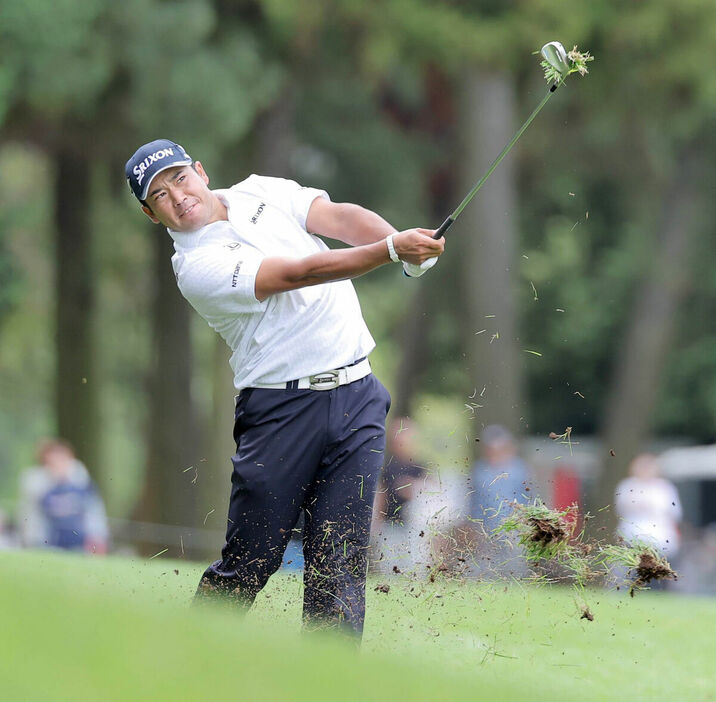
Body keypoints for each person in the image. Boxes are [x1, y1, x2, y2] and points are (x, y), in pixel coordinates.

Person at [124, 139, 445, 637]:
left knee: (338, 565)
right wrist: (389, 251)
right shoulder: (196, 269)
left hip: (357, 395)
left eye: (180, 178)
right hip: (281, 412)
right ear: (151, 214)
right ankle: (181, 668)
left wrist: (405, 249)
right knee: (249, 564)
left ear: (201, 172)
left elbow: (337, 218)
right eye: (161, 195)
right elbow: (300, 273)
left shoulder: (259, 191)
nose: (178, 196)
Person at [18, 439, 109, 553]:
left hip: (78, 541)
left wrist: (97, 536)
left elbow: (93, 511)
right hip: (45, 540)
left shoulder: (81, 480)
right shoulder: (35, 480)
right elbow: (31, 515)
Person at [467, 424, 531, 577]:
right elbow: (473, 501)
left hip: (514, 528)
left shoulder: (519, 470)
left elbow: (529, 498)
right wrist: (473, 525)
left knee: (515, 566)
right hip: (486, 529)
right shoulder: (479, 471)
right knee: (487, 567)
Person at [614, 453, 683, 560]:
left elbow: (675, 513)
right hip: (632, 540)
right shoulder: (627, 485)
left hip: (661, 541)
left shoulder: (665, 487)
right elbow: (621, 508)